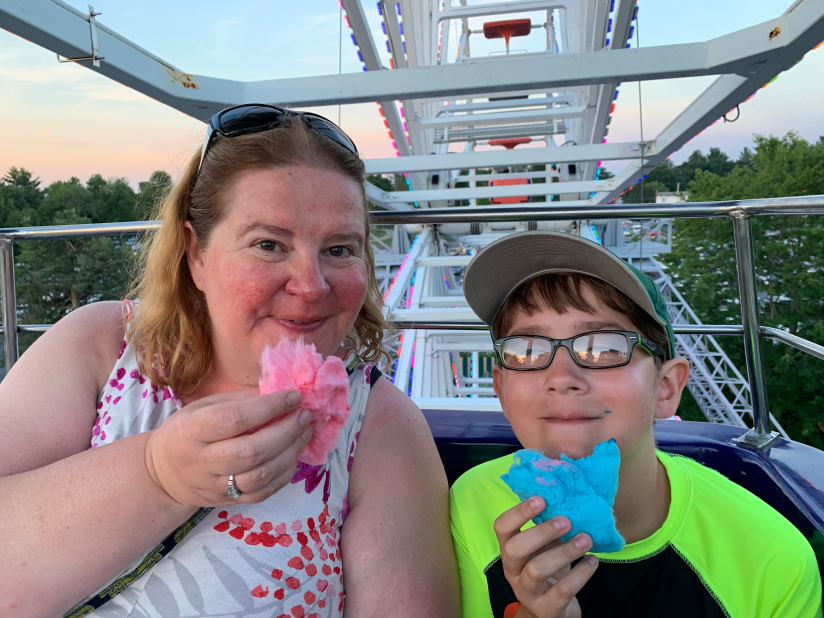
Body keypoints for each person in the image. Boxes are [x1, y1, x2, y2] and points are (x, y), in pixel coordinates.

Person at [0, 104, 459, 618]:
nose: (311, 285)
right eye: (268, 244)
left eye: (338, 249)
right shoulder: (100, 346)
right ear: (196, 254)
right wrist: (160, 475)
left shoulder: (380, 424)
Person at [449, 231, 822, 618]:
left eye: (604, 347)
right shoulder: (473, 502)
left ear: (665, 387)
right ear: (501, 389)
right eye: (526, 351)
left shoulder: (771, 560)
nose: (560, 376)